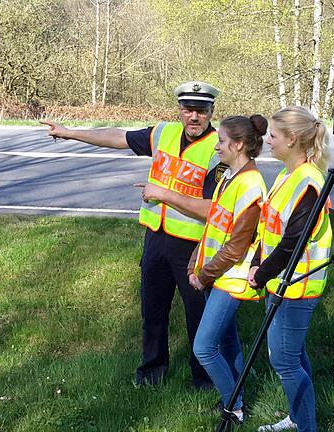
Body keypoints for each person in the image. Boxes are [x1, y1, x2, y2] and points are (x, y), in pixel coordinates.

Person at [40, 82, 224, 389]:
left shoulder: (218, 148)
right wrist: (69, 132)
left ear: (211, 112)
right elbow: (118, 137)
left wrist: (163, 195)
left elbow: (212, 210)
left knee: (198, 316)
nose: (194, 117)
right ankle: (152, 373)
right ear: (179, 110)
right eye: (188, 110)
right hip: (156, 238)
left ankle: (204, 381)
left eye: (201, 111)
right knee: (152, 311)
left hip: (194, 246)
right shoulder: (163, 133)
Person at [248, 106, 333, 432]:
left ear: (292, 139)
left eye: (273, 135)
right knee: (292, 356)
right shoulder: (288, 174)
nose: (268, 140)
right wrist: (259, 263)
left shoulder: (309, 182)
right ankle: (299, 418)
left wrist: (262, 272)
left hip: (297, 285)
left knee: (284, 360)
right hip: (280, 281)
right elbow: (271, 228)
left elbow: (293, 242)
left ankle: (306, 426)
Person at [184, 115, 268, 425]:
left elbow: (235, 247)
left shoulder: (251, 185)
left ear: (239, 145)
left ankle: (233, 406)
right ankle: (237, 400)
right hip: (217, 275)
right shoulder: (230, 176)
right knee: (228, 341)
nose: (217, 146)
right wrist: (195, 262)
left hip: (230, 279)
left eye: (221, 141)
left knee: (204, 347)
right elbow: (213, 228)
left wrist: (203, 275)